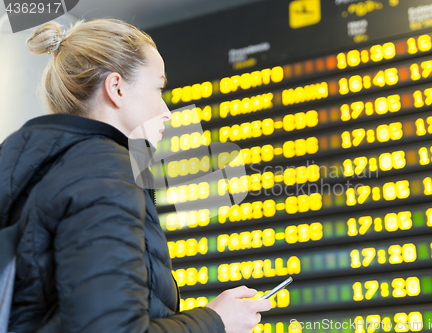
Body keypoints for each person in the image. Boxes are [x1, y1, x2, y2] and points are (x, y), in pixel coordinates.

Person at [2, 18, 271, 333]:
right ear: (116, 88)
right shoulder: (104, 171)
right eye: (158, 88)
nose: (166, 110)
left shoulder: (35, 168)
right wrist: (216, 322)